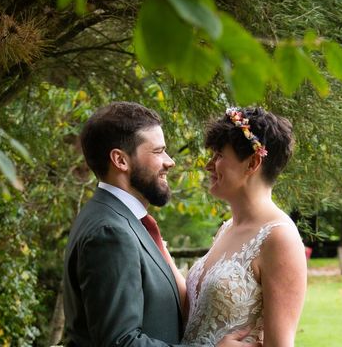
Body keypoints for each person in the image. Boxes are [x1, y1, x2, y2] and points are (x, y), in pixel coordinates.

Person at [63, 101, 258, 347]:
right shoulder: (110, 232)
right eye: (158, 151)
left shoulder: (116, 218)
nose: (170, 161)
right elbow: (120, 342)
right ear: (120, 160)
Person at [182, 107, 307, 347]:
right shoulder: (226, 228)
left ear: (253, 162)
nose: (209, 165)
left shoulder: (279, 238)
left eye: (219, 155)